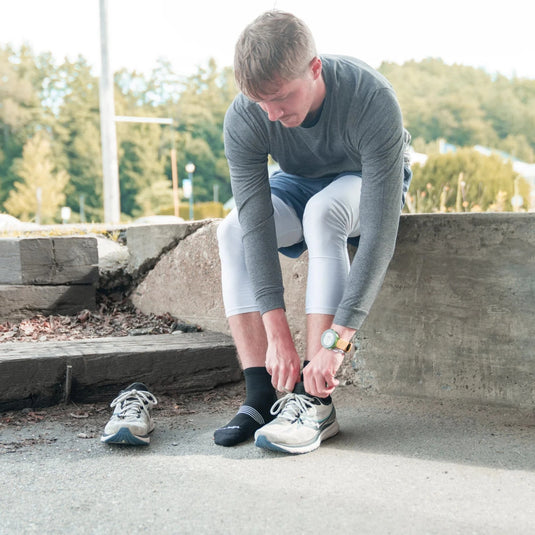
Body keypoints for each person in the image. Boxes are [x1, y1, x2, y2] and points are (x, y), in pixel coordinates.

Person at [214, 10, 412, 454]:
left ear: (315, 68)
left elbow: (379, 237)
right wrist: (277, 335)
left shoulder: (371, 97)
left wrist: (336, 343)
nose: (271, 113)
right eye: (260, 102)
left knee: (323, 214)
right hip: (301, 180)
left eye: (281, 98)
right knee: (230, 231)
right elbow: (255, 223)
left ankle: (316, 401)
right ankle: (261, 398)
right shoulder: (249, 115)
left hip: (365, 182)